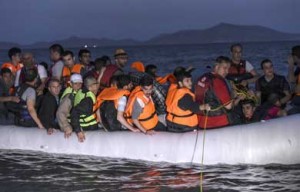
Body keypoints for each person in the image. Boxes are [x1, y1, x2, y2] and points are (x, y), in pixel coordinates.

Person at [195, 56, 242, 129]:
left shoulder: (202, 78)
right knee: (239, 117)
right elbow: (228, 106)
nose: (227, 72)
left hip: (200, 121)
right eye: (224, 68)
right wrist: (234, 96)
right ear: (216, 67)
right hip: (217, 122)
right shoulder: (218, 81)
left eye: (228, 69)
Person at [71, 76, 99, 142]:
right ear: (90, 87)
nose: (97, 86)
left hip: (85, 125)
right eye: (96, 84)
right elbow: (74, 112)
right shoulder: (88, 99)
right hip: (88, 127)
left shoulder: (81, 92)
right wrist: (78, 131)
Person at [57, 74, 83, 138]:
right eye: (75, 83)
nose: (78, 86)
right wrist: (66, 127)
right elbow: (60, 113)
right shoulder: (69, 97)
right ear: (71, 84)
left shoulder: (78, 93)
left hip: (77, 125)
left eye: (80, 83)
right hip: (72, 126)